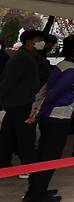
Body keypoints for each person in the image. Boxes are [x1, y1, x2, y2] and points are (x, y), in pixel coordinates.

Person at [24, 35, 74, 202]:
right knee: (50, 156)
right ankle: (37, 194)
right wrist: (40, 112)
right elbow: (53, 93)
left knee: (43, 154)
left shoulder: (62, 65)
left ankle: (36, 190)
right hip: (57, 117)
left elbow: (45, 89)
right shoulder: (71, 71)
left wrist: (37, 109)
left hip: (51, 117)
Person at [0, 30, 44, 170]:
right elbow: (8, 81)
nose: (41, 43)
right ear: (29, 41)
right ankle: (27, 164)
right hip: (21, 102)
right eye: (39, 40)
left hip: (20, 100)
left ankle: (4, 161)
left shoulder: (30, 56)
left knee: (9, 133)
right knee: (25, 135)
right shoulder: (22, 58)